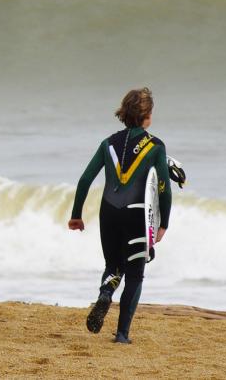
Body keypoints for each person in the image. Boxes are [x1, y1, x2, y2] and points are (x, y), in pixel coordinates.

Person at [67, 87, 171, 344]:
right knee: (135, 274)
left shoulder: (108, 144)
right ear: (146, 115)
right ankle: (122, 334)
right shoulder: (156, 147)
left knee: (113, 266)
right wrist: (163, 223)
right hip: (137, 215)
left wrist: (76, 215)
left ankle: (105, 292)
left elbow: (84, 180)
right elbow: (163, 189)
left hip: (109, 213)